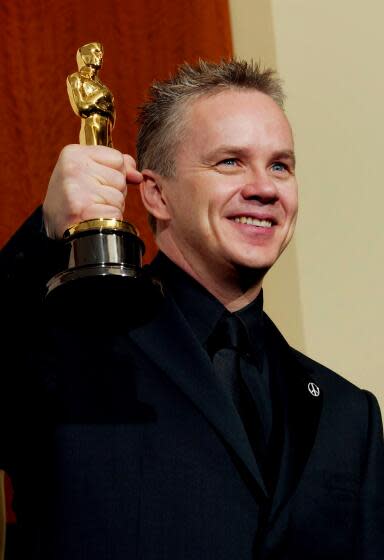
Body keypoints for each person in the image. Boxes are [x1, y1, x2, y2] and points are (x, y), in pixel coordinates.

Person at [1, 60, 383, 560]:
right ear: (157, 194)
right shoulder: (68, 351)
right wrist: (46, 232)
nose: (264, 188)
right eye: (230, 162)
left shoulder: (347, 413)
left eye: (280, 165)